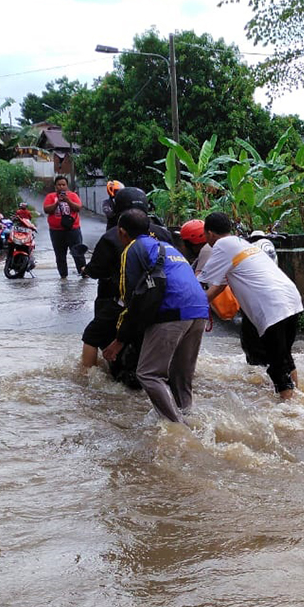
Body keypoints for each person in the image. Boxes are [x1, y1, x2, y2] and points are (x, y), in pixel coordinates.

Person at [102, 208, 209, 423]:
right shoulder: (168, 247)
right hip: (200, 309)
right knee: (180, 376)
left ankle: (177, 428)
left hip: (172, 311)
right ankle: (190, 419)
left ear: (122, 232)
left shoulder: (132, 249)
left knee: (148, 374)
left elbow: (130, 299)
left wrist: (119, 341)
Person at [198, 212, 303, 399]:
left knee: (277, 366)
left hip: (272, 307)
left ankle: (291, 410)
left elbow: (201, 281)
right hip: (291, 299)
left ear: (210, 233)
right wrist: (201, 304)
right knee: (285, 357)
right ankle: (300, 398)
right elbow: (219, 285)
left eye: (205, 235)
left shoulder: (221, 245)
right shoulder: (242, 243)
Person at [80, 187, 171, 382]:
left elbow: (97, 269)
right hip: (160, 300)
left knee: (91, 335)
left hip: (121, 301)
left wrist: (86, 269)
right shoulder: (163, 234)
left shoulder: (113, 235)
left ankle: (87, 379)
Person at [43, 175, 87, 278]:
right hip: (56, 231)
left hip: (73, 230)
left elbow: (78, 208)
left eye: (63, 185)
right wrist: (57, 203)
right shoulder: (50, 197)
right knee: (60, 254)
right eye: (59, 185)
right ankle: (63, 275)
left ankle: (83, 272)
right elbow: (46, 210)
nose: (61, 187)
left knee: (78, 251)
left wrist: (68, 200)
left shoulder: (73, 196)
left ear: (67, 186)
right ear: (55, 186)